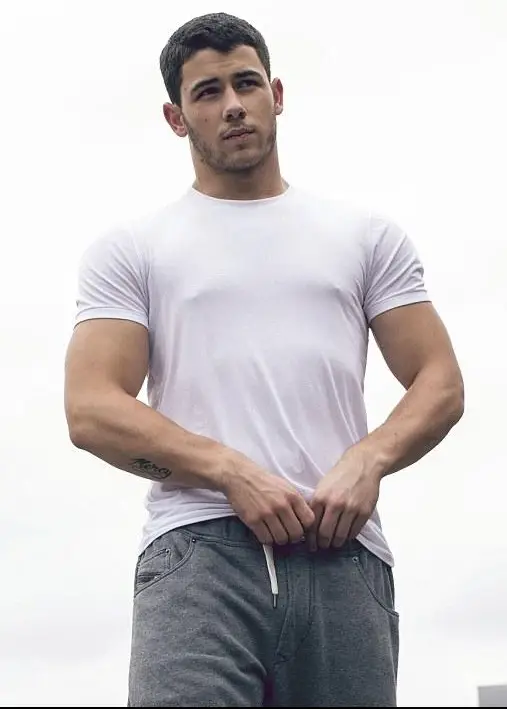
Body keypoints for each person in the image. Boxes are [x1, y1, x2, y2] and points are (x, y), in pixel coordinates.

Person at [64, 12, 464, 708]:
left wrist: (367, 460)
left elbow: (440, 380)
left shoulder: (365, 236)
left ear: (276, 94)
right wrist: (229, 470)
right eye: (208, 91)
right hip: (198, 554)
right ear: (175, 117)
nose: (233, 105)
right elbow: (92, 408)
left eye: (246, 83)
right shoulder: (133, 249)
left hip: (343, 551)